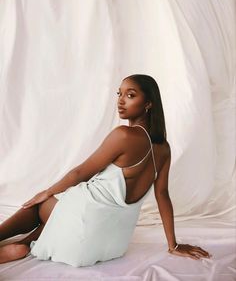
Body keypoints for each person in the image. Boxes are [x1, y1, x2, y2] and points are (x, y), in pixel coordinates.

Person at [0, 74, 211, 266]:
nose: (120, 100)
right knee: (60, 215)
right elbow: (162, 195)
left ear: (148, 103)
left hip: (85, 220)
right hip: (109, 243)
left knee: (42, 205)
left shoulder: (124, 135)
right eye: (119, 94)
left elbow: (81, 172)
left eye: (130, 95)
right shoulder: (163, 148)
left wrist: (46, 192)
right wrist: (172, 244)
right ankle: (24, 244)